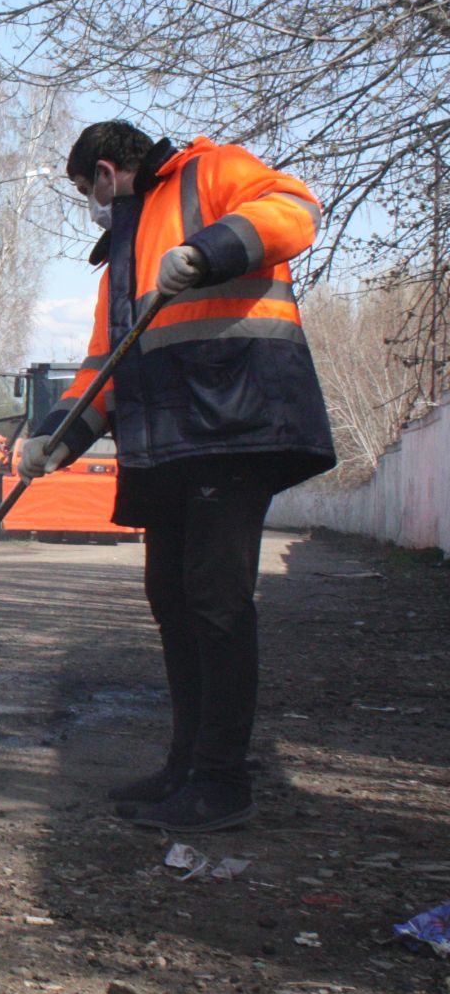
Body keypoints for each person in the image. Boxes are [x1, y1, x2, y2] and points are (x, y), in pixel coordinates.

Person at [17, 121, 334, 832]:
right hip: (170, 441)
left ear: (104, 172)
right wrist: (52, 440)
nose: (91, 209)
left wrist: (207, 250)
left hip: (237, 420)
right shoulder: (123, 252)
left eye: (85, 193)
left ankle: (222, 782)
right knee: (172, 595)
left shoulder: (212, 172)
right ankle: (186, 765)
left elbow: (294, 210)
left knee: (216, 600)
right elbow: (107, 361)